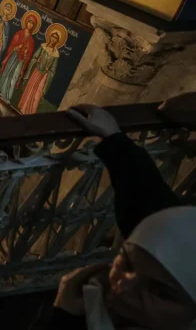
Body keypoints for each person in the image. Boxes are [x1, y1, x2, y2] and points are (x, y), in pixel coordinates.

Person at [48, 96, 196, 329]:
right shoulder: (87, 306)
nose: (123, 289)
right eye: (126, 263)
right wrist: (114, 139)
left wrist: (62, 321)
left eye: (162, 293)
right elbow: (148, 205)